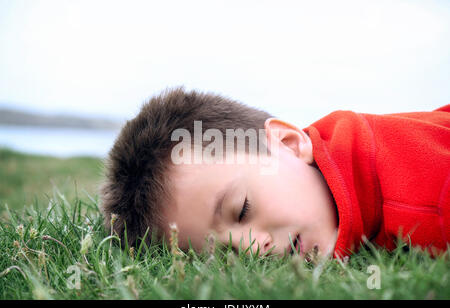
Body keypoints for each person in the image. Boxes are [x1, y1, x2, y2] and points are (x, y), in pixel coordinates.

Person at [100, 87, 450, 259]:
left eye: (242, 210)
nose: (251, 249)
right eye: (226, 254)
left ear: (288, 142)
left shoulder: (425, 193)